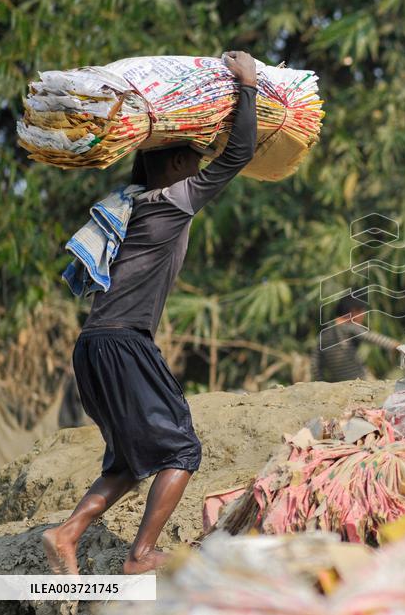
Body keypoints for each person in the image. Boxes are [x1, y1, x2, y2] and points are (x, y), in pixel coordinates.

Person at [42, 51, 258, 576]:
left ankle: (65, 535)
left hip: (93, 345)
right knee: (181, 450)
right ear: (180, 165)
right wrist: (247, 86)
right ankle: (140, 557)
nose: (203, 166)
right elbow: (239, 155)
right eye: (195, 159)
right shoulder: (175, 201)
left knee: (128, 461)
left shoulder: (136, 202)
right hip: (124, 343)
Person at [312, 296, 402, 382]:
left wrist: (321, 382)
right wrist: (398, 346)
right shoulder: (349, 327)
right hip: (361, 379)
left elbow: (315, 364)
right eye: (361, 311)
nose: (363, 315)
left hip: (340, 383)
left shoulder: (323, 334)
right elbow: (373, 338)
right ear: (351, 311)